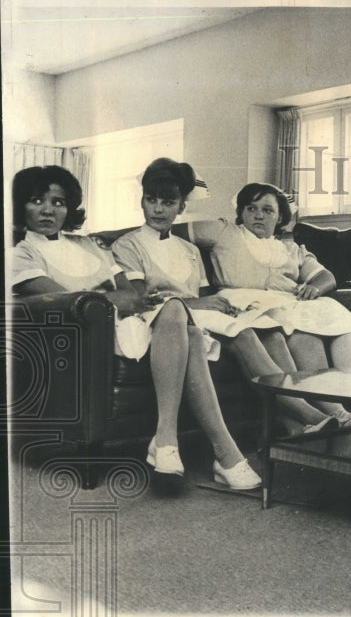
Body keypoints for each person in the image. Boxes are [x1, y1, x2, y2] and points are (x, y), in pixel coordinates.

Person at [11, 165, 261, 490]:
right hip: (88, 335)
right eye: (36, 201)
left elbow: (129, 294)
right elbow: (66, 300)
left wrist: (118, 298)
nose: (48, 210)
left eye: (58, 202)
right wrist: (116, 298)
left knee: (189, 329)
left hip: (129, 320)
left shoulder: (90, 245)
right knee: (175, 311)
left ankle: (177, 443)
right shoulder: (20, 254)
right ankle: (214, 452)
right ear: (20, 206)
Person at [112, 159, 337, 433]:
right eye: (151, 200)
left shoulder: (190, 250)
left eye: (168, 203)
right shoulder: (127, 245)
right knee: (243, 334)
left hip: (200, 317)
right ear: (142, 202)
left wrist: (222, 306)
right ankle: (310, 415)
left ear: (181, 206)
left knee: (273, 335)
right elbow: (140, 300)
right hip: (163, 320)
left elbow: (207, 296)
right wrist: (204, 304)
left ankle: (294, 426)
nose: (158, 209)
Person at [190, 182, 351, 425]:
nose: (258, 215)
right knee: (305, 337)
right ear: (241, 213)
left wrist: (315, 287)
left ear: (280, 217)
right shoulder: (224, 232)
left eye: (267, 210)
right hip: (247, 302)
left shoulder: (290, 248)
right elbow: (172, 229)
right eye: (251, 209)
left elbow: (325, 276)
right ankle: (335, 413)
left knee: (344, 329)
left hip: (291, 303)